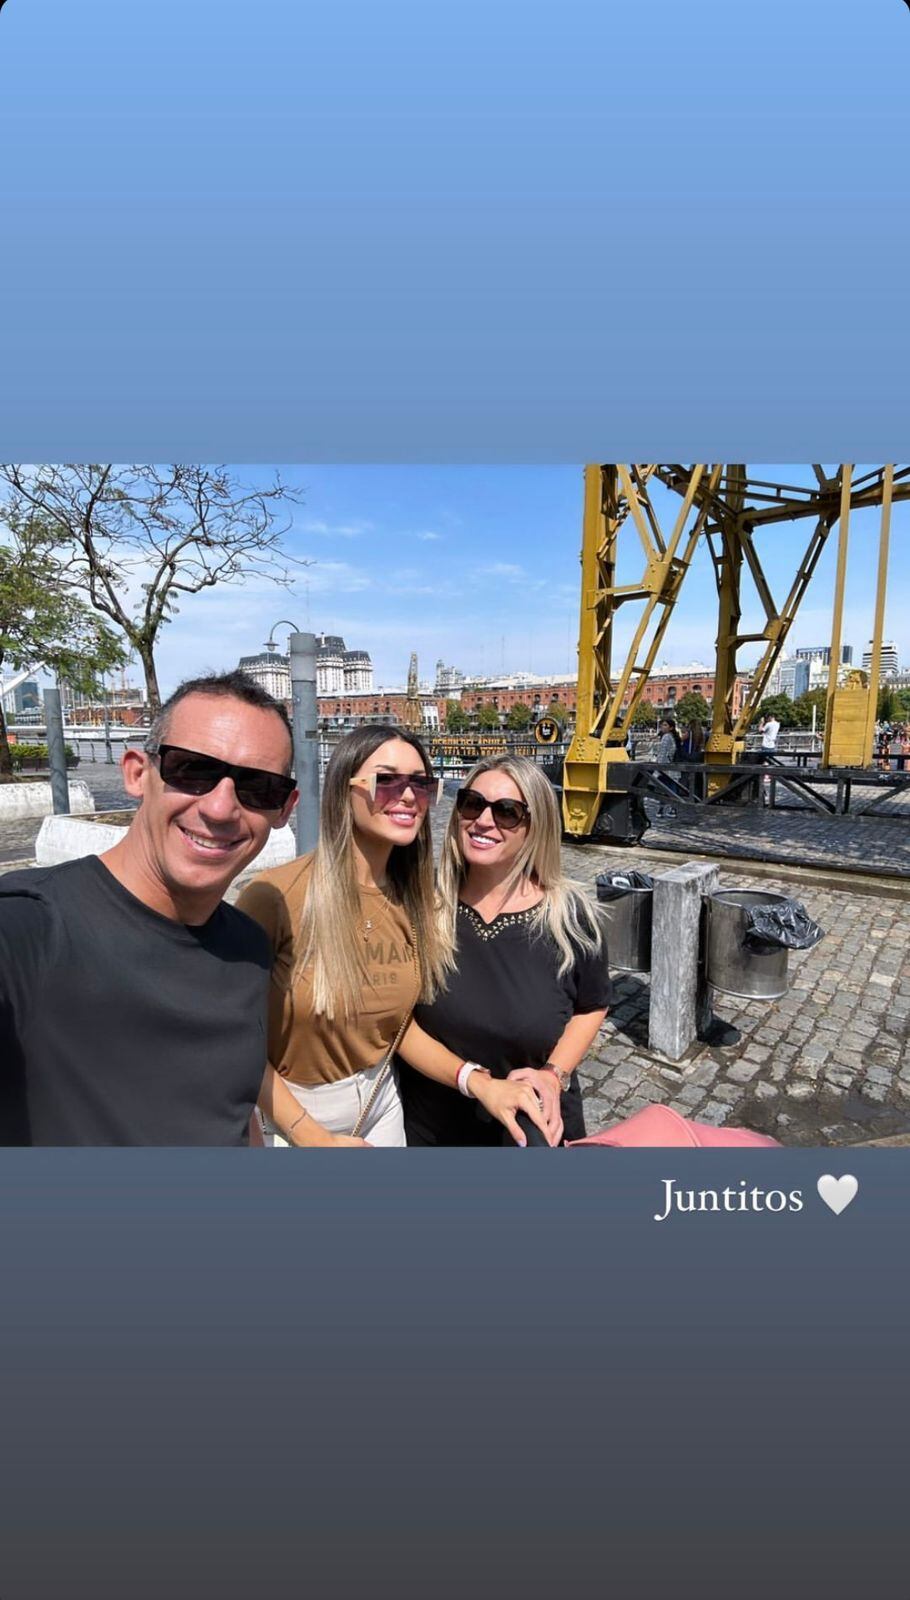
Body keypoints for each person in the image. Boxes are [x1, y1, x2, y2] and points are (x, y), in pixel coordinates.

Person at [0, 671, 298, 1145]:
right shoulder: (30, 926)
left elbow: (232, 1107)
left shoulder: (248, 946)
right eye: (193, 770)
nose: (221, 808)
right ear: (138, 773)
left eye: (259, 787)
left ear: (284, 809)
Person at [238, 726, 552, 1148]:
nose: (407, 796)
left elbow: (397, 1030)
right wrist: (311, 1136)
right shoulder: (275, 896)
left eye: (420, 784)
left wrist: (478, 1082)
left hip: (381, 1101)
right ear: (344, 789)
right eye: (386, 781)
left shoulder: (417, 901)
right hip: (294, 1114)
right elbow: (234, 1037)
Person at [398, 755, 612, 1147]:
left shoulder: (570, 917)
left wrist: (553, 1073)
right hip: (434, 1129)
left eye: (507, 812)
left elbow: (592, 1004)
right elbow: (397, 1022)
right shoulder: (423, 905)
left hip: (531, 1133)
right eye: (472, 803)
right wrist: (477, 1083)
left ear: (536, 826)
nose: (483, 820)